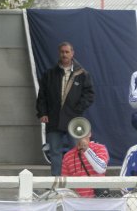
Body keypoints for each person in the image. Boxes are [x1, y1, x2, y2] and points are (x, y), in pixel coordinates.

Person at [36, 42, 95, 176]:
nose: (64, 54)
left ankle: (76, 183)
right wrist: (42, 112)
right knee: (55, 152)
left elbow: (89, 95)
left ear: (72, 53)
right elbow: (42, 96)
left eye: (67, 52)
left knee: (77, 150)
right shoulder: (49, 74)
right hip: (53, 118)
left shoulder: (82, 74)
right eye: (62, 52)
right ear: (59, 53)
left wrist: (77, 110)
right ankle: (56, 183)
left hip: (74, 120)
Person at [61, 130, 109, 198]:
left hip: (98, 200)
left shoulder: (100, 148)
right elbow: (65, 184)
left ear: (89, 134)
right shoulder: (67, 156)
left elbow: (101, 169)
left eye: (84, 132)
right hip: (78, 202)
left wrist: (86, 149)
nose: (81, 135)